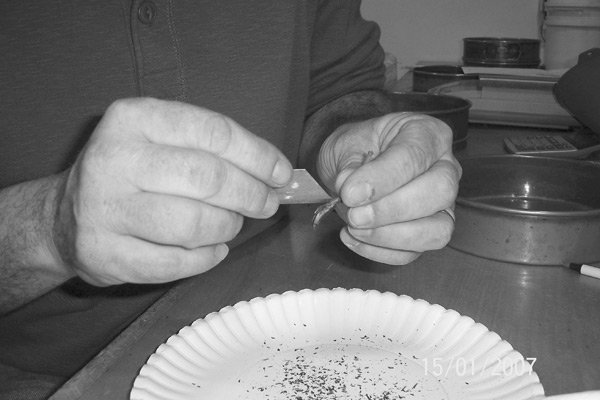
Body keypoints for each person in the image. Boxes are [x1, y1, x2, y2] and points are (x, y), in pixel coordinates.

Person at [0, 0, 460, 398]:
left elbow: (342, 89)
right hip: (43, 377)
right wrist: (48, 226)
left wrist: (346, 141)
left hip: (274, 324)